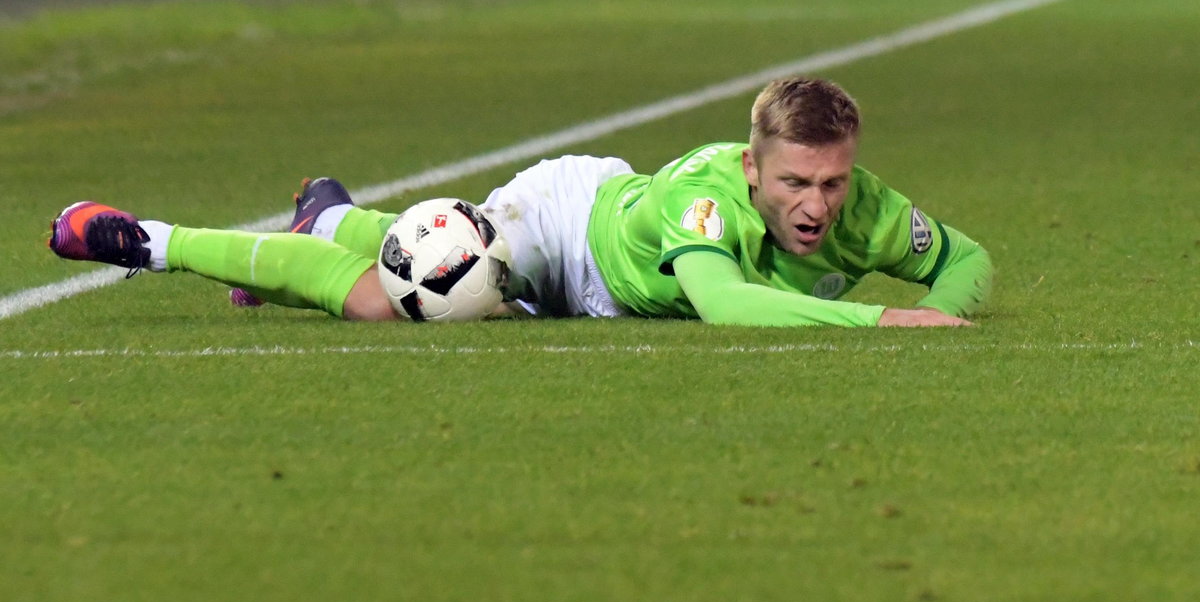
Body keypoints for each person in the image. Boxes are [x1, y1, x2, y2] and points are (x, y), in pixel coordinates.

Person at [48, 76, 991, 327]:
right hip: (567, 227)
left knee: (387, 243)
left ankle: (329, 214)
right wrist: (882, 319)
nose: (817, 205)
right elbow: (726, 302)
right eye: (793, 182)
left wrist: (938, 306)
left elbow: (968, 259)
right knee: (393, 298)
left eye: (830, 182)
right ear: (753, 168)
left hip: (602, 267)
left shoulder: (859, 202)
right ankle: (149, 240)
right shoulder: (711, 197)